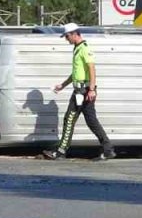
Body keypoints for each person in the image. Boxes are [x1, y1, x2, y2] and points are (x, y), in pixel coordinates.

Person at [44, 23, 114, 161]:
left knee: (69, 119)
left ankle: (60, 152)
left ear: (75, 34)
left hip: (84, 91)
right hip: (80, 90)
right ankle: (108, 150)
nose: (66, 39)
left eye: (67, 36)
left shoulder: (84, 49)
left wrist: (92, 89)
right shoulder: (77, 48)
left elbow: (92, 69)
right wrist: (63, 85)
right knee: (91, 121)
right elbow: (76, 73)